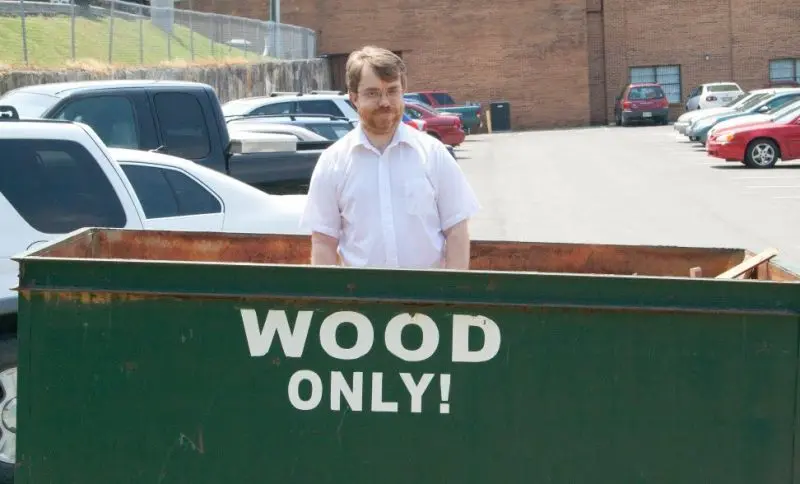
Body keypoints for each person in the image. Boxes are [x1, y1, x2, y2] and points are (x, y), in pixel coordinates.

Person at [299, 45, 480, 270]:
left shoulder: (433, 154)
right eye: (373, 93)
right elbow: (324, 242)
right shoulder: (333, 162)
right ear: (354, 98)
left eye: (392, 91)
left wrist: (451, 297)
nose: (385, 102)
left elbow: (456, 231)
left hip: (427, 299)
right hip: (362, 300)